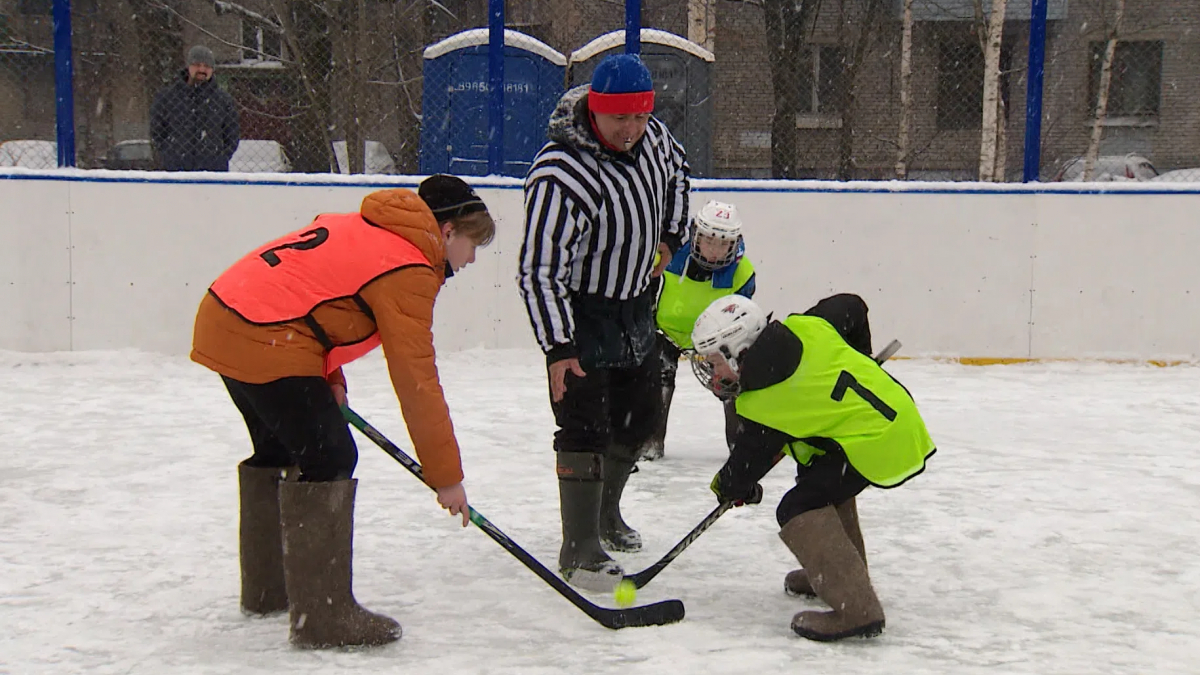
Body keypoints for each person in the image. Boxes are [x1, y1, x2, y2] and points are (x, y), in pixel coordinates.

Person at [190, 175, 495, 648]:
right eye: (472, 245)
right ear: (449, 231)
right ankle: (324, 617)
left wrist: (329, 379)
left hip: (225, 316)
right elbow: (417, 379)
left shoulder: (363, 227)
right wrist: (446, 474)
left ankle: (271, 590)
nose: (471, 259)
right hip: (266, 334)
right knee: (331, 457)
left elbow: (315, 298)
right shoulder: (410, 264)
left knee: (280, 448)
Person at [517, 53, 690, 591]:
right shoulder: (560, 172)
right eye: (621, 119)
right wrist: (558, 348)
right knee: (584, 423)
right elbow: (538, 270)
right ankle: (579, 545)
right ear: (595, 108)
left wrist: (671, 236)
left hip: (637, 303)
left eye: (640, 117)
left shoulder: (654, 138)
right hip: (582, 312)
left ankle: (606, 513)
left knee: (639, 418)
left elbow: (679, 172)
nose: (632, 130)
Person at [691, 293, 936, 642]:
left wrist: (728, 487)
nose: (711, 373)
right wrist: (859, 357)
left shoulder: (762, 401)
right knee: (816, 476)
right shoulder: (806, 325)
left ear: (740, 351)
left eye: (715, 362)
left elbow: (745, 466)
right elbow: (852, 305)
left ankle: (857, 610)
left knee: (797, 507)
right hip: (895, 420)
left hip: (880, 441)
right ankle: (836, 573)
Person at [639, 199, 757, 462]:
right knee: (657, 378)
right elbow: (646, 292)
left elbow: (742, 320)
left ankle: (740, 446)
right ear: (695, 235)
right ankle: (650, 441)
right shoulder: (669, 256)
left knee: (733, 383)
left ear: (734, 243)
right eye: (708, 240)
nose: (714, 250)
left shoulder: (743, 273)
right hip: (665, 332)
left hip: (717, 341)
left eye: (723, 243)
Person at [150, 45, 240, 172]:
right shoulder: (167, 97)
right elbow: (157, 132)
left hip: (212, 173)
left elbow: (232, 135)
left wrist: (220, 158)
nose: (202, 69)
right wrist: (169, 156)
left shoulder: (223, 101)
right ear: (188, 67)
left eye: (207, 66)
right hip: (175, 172)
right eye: (197, 64)